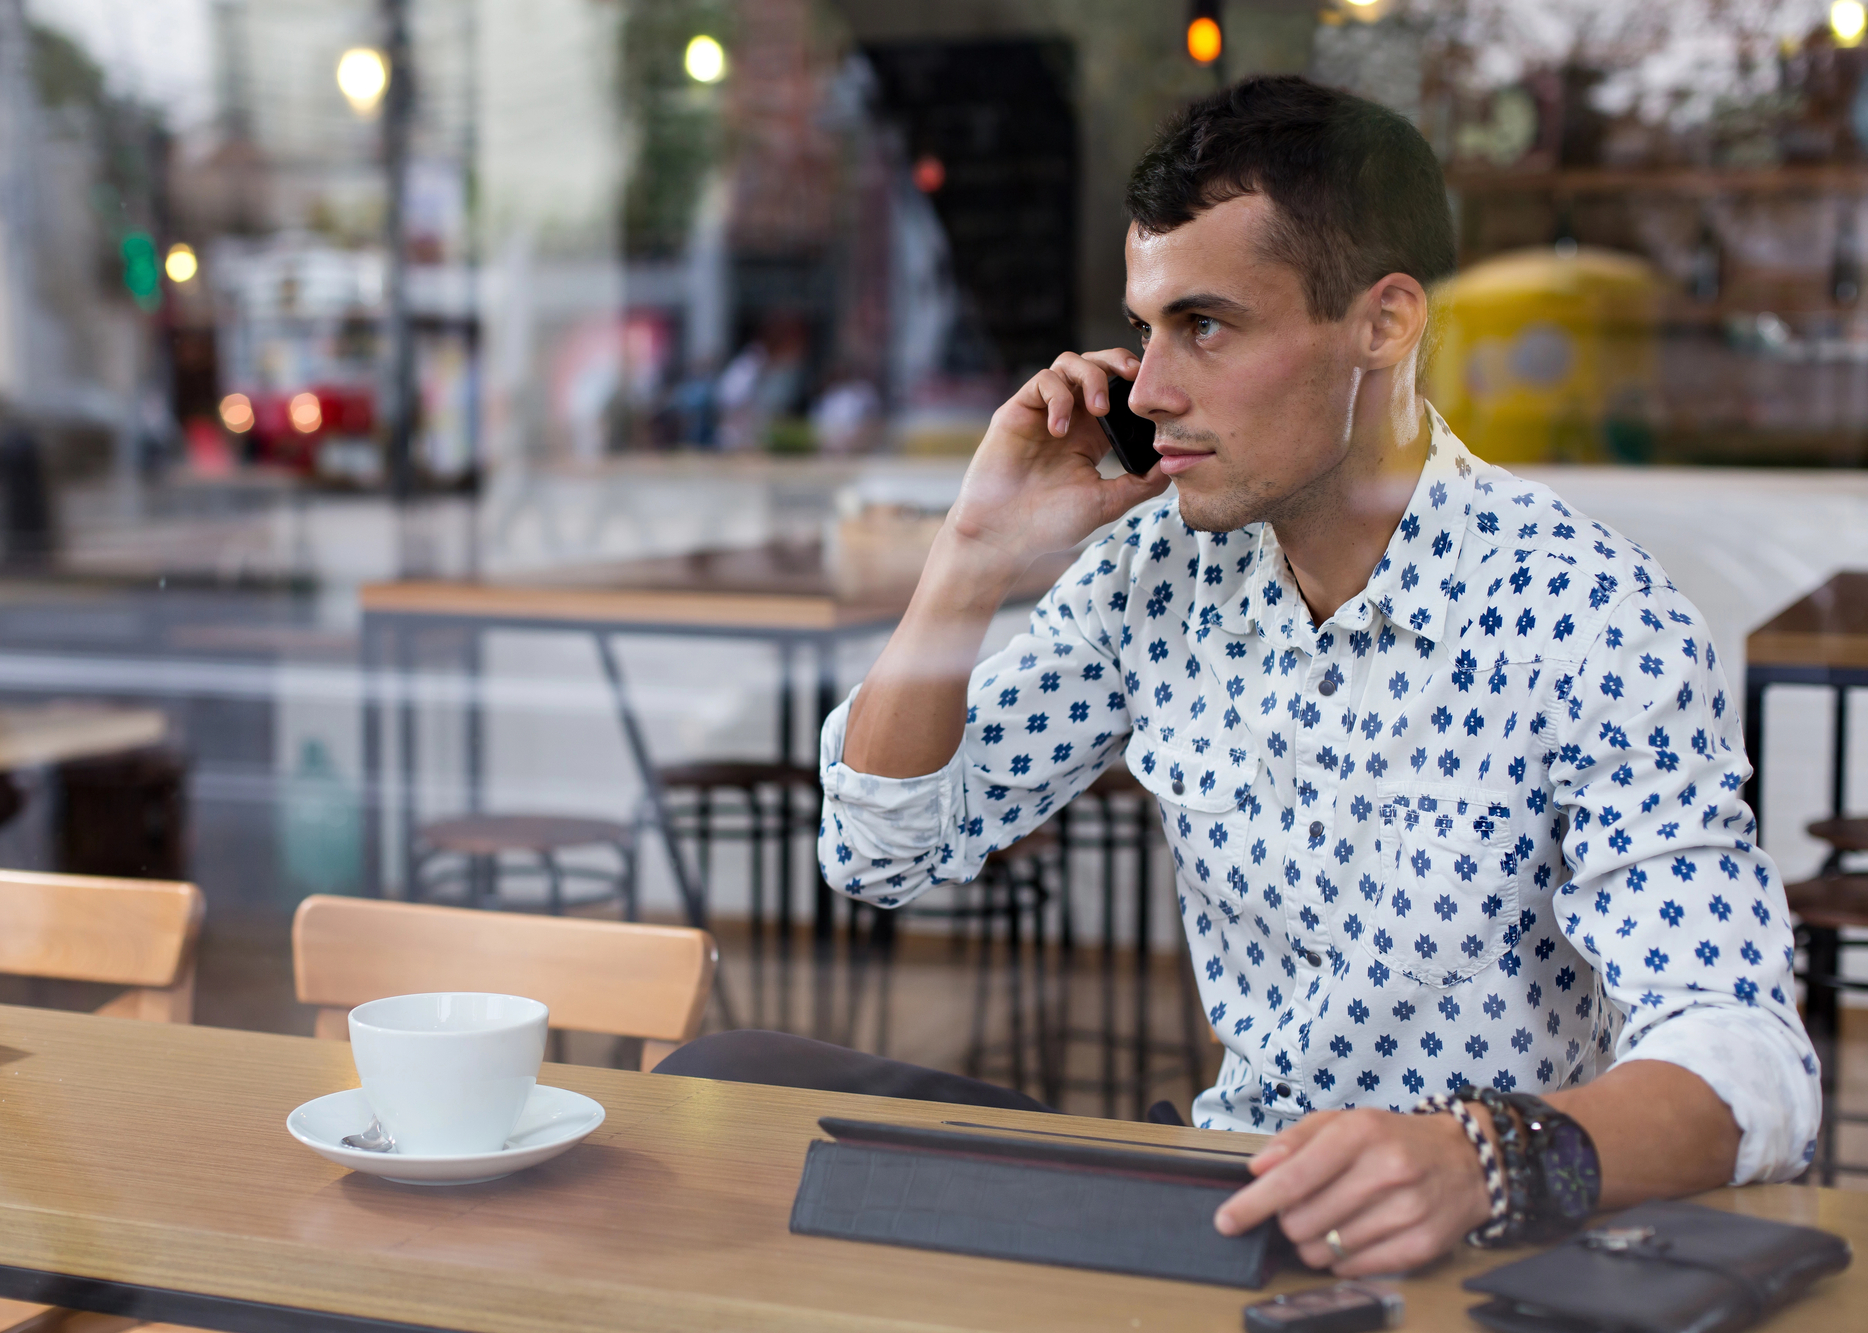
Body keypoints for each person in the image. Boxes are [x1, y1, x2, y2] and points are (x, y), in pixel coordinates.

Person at [656, 75, 1817, 1275]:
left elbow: (1747, 1056)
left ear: (1383, 323)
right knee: (726, 1075)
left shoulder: (1585, 616)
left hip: (1475, 1243)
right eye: (1144, 327)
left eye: (1205, 325)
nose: (1148, 391)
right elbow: (879, 850)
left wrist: (1475, 1158)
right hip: (1230, 1201)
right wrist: (973, 554)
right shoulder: (1157, 568)